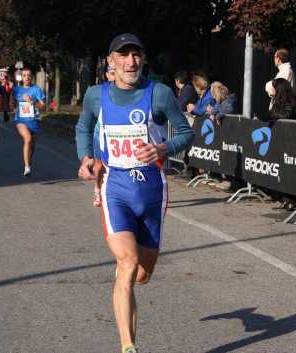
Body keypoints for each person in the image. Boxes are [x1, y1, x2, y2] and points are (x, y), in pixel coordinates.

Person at [75, 33, 194, 353]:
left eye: (136, 55)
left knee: (142, 274)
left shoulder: (160, 94)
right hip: (115, 189)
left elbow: (186, 133)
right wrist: (86, 157)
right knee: (127, 264)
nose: (131, 61)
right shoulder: (95, 96)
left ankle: (126, 273)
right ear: (110, 62)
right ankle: (128, 347)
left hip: (153, 192)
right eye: (123, 55)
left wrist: (162, 147)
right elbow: (84, 126)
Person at [10, 68, 46, 176]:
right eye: (24, 75)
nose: (27, 77)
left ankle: (28, 162)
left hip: (33, 121)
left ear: (31, 77)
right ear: (22, 77)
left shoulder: (36, 89)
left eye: (29, 75)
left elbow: (42, 105)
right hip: (20, 120)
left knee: (32, 146)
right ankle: (27, 167)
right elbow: (12, 101)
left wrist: (33, 102)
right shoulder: (17, 89)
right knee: (27, 138)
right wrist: (12, 107)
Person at [93, 66, 116, 207]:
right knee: (98, 166)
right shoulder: (101, 91)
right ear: (107, 75)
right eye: (112, 73)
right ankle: (97, 188)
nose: (115, 76)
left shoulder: (130, 90)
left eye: (116, 72)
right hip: (101, 132)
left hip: (120, 133)